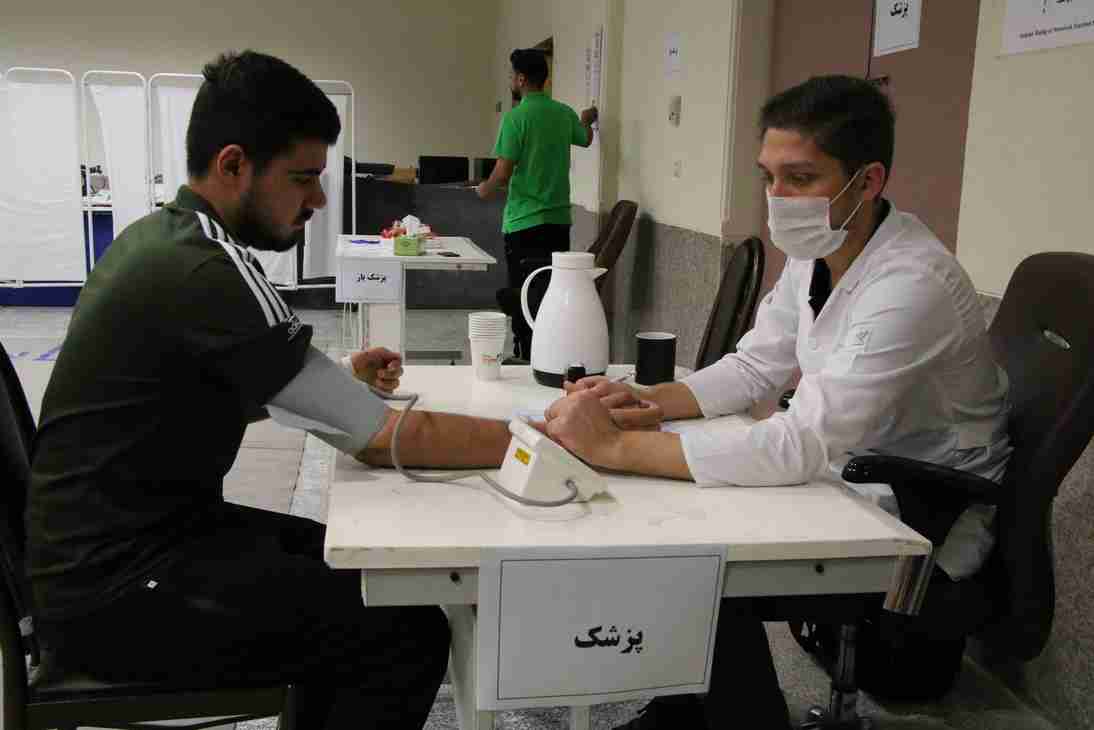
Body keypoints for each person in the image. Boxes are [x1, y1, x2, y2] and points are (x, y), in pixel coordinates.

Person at [25, 51, 512, 730]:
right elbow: (383, 439)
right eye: (303, 178)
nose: (317, 200)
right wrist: (538, 439)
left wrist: (334, 382)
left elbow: (199, 393)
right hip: (116, 593)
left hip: (105, 561)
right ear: (233, 165)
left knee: (359, 571)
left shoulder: (163, 238)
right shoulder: (206, 267)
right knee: (400, 627)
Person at [543, 75, 1012, 729]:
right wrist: (647, 401)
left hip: (922, 507)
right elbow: (755, 365)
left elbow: (804, 442)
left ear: (868, 181)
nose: (777, 198)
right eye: (768, 177)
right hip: (850, 467)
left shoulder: (912, 283)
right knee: (682, 516)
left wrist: (617, 446)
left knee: (702, 551)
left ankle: (737, 717)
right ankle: (687, 712)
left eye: (800, 178)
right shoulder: (819, 251)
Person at [476, 47, 598, 361]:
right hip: (558, 222)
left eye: (511, 75)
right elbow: (585, 139)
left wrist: (483, 189)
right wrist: (586, 120)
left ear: (520, 79)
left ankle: (524, 355)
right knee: (548, 291)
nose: (510, 80)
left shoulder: (516, 118)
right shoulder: (563, 113)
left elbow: (502, 172)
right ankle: (547, 354)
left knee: (523, 292)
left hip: (524, 222)